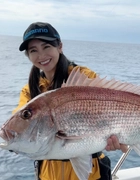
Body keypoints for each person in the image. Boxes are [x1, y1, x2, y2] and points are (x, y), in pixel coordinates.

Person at [13, 22, 128, 180]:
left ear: (59, 46)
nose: (41, 55)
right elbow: (20, 124)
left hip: (91, 173)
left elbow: (108, 110)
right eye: (33, 50)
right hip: (48, 174)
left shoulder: (82, 76)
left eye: (46, 47)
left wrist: (118, 137)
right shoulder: (30, 90)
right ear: (28, 56)